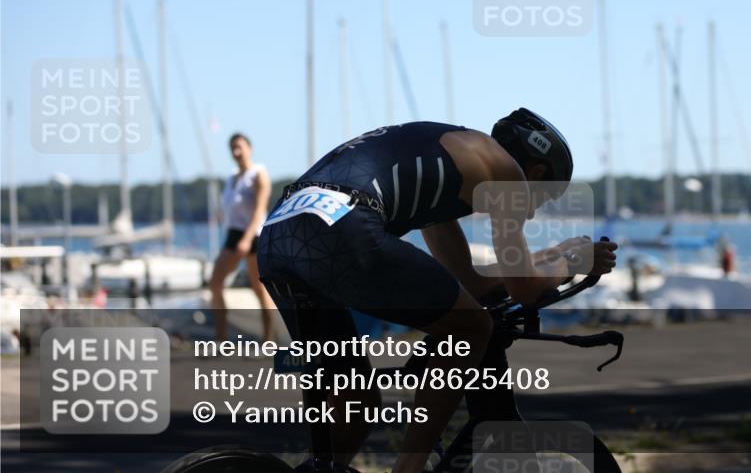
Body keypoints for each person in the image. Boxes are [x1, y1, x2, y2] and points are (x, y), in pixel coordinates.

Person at [258, 109, 618, 473]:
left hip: (279, 235)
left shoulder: (443, 172)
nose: (532, 209)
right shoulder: (507, 171)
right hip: (340, 230)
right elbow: (523, 289)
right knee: (473, 329)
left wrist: (551, 255)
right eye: (543, 200)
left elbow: (471, 282)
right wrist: (573, 261)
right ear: (536, 175)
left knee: (359, 408)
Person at [209, 132, 275, 342]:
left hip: (254, 234)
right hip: (233, 233)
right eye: (233, 148)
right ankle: (221, 338)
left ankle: (269, 339)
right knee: (215, 283)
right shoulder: (232, 177)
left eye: (240, 147)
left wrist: (247, 239)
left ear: (250, 148)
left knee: (259, 287)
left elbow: (259, 209)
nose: (236, 152)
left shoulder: (258, 174)